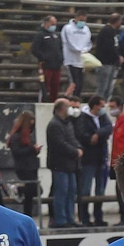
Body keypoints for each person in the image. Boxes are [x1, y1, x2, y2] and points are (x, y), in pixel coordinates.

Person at [75, 96, 113, 226]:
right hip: (88, 159)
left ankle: (98, 217)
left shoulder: (103, 117)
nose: (103, 108)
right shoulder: (83, 118)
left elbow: (108, 128)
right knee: (86, 189)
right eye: (101, 105)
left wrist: (97, 134)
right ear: (94, 106)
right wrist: (93, 137)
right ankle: (85, 217)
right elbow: (82, 135)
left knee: (100, 190)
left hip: (101, 157)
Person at [46, 98, 82, 228]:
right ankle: (61, 220)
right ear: (61, 109)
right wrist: (75, 151)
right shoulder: (54, 125)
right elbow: (60, 144)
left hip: (70, 165)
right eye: (68, 106)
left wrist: (79, 148)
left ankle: (70, 218)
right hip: (59, 164)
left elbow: (72, 139)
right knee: (61, 192)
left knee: (71, 192)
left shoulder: (67, 123)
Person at [5, 110, 41, 219]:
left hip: (31, 166)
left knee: (30, 196)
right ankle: (17, 189)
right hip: (24, 167)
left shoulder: (27, 136)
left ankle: (28, 217)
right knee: (33, 189)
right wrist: (32, 149)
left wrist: (35, 150)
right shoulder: (16, 137)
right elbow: (17, 152)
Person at [33, 15, 64, 102]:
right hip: (46, 65)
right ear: (46, 23)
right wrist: (44, 57)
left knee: (55, 87)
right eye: (52, 24)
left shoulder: (56, 35)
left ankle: (54, 103)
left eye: (55, 24)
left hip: (56, 65)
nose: (54, 26)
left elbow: (60, 48)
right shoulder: (40, 35)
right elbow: (34, 49)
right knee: (45, 86)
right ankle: (42, 103)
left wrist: (60, 58)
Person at [61, 12, 92, 98]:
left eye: (84, 20)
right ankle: (70, 98)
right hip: (70, 59)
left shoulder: (86, 29)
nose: (82, 22)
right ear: (76, 18)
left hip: (81, 60)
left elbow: (89, 42)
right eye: (81, 20)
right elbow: (67, 42)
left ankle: (76, 98)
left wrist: (85, 49)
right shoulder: (67, 28)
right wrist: (78, 50)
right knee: (73, 83)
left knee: (80, 83)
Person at [92, 14, 122, 101]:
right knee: (103, 88)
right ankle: (97, 104)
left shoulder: (112, 31)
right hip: (105, 62)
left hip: (111, 63)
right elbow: (108, 47)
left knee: (109, 88)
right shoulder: (107, 31)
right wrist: (117, 56)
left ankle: (105, 103)